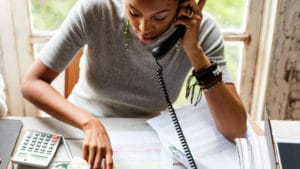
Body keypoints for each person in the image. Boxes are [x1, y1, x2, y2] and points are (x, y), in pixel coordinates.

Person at [21, 0, 249, 168]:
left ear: (185, 7)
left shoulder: (203, 31)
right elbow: (32, 83)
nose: (143, 28)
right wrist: (89, 123)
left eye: (159, 17)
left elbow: (236, 129)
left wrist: (195, 52)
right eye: (133, 12)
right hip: (80, 127)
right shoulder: (96, 9)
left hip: (146, 139)